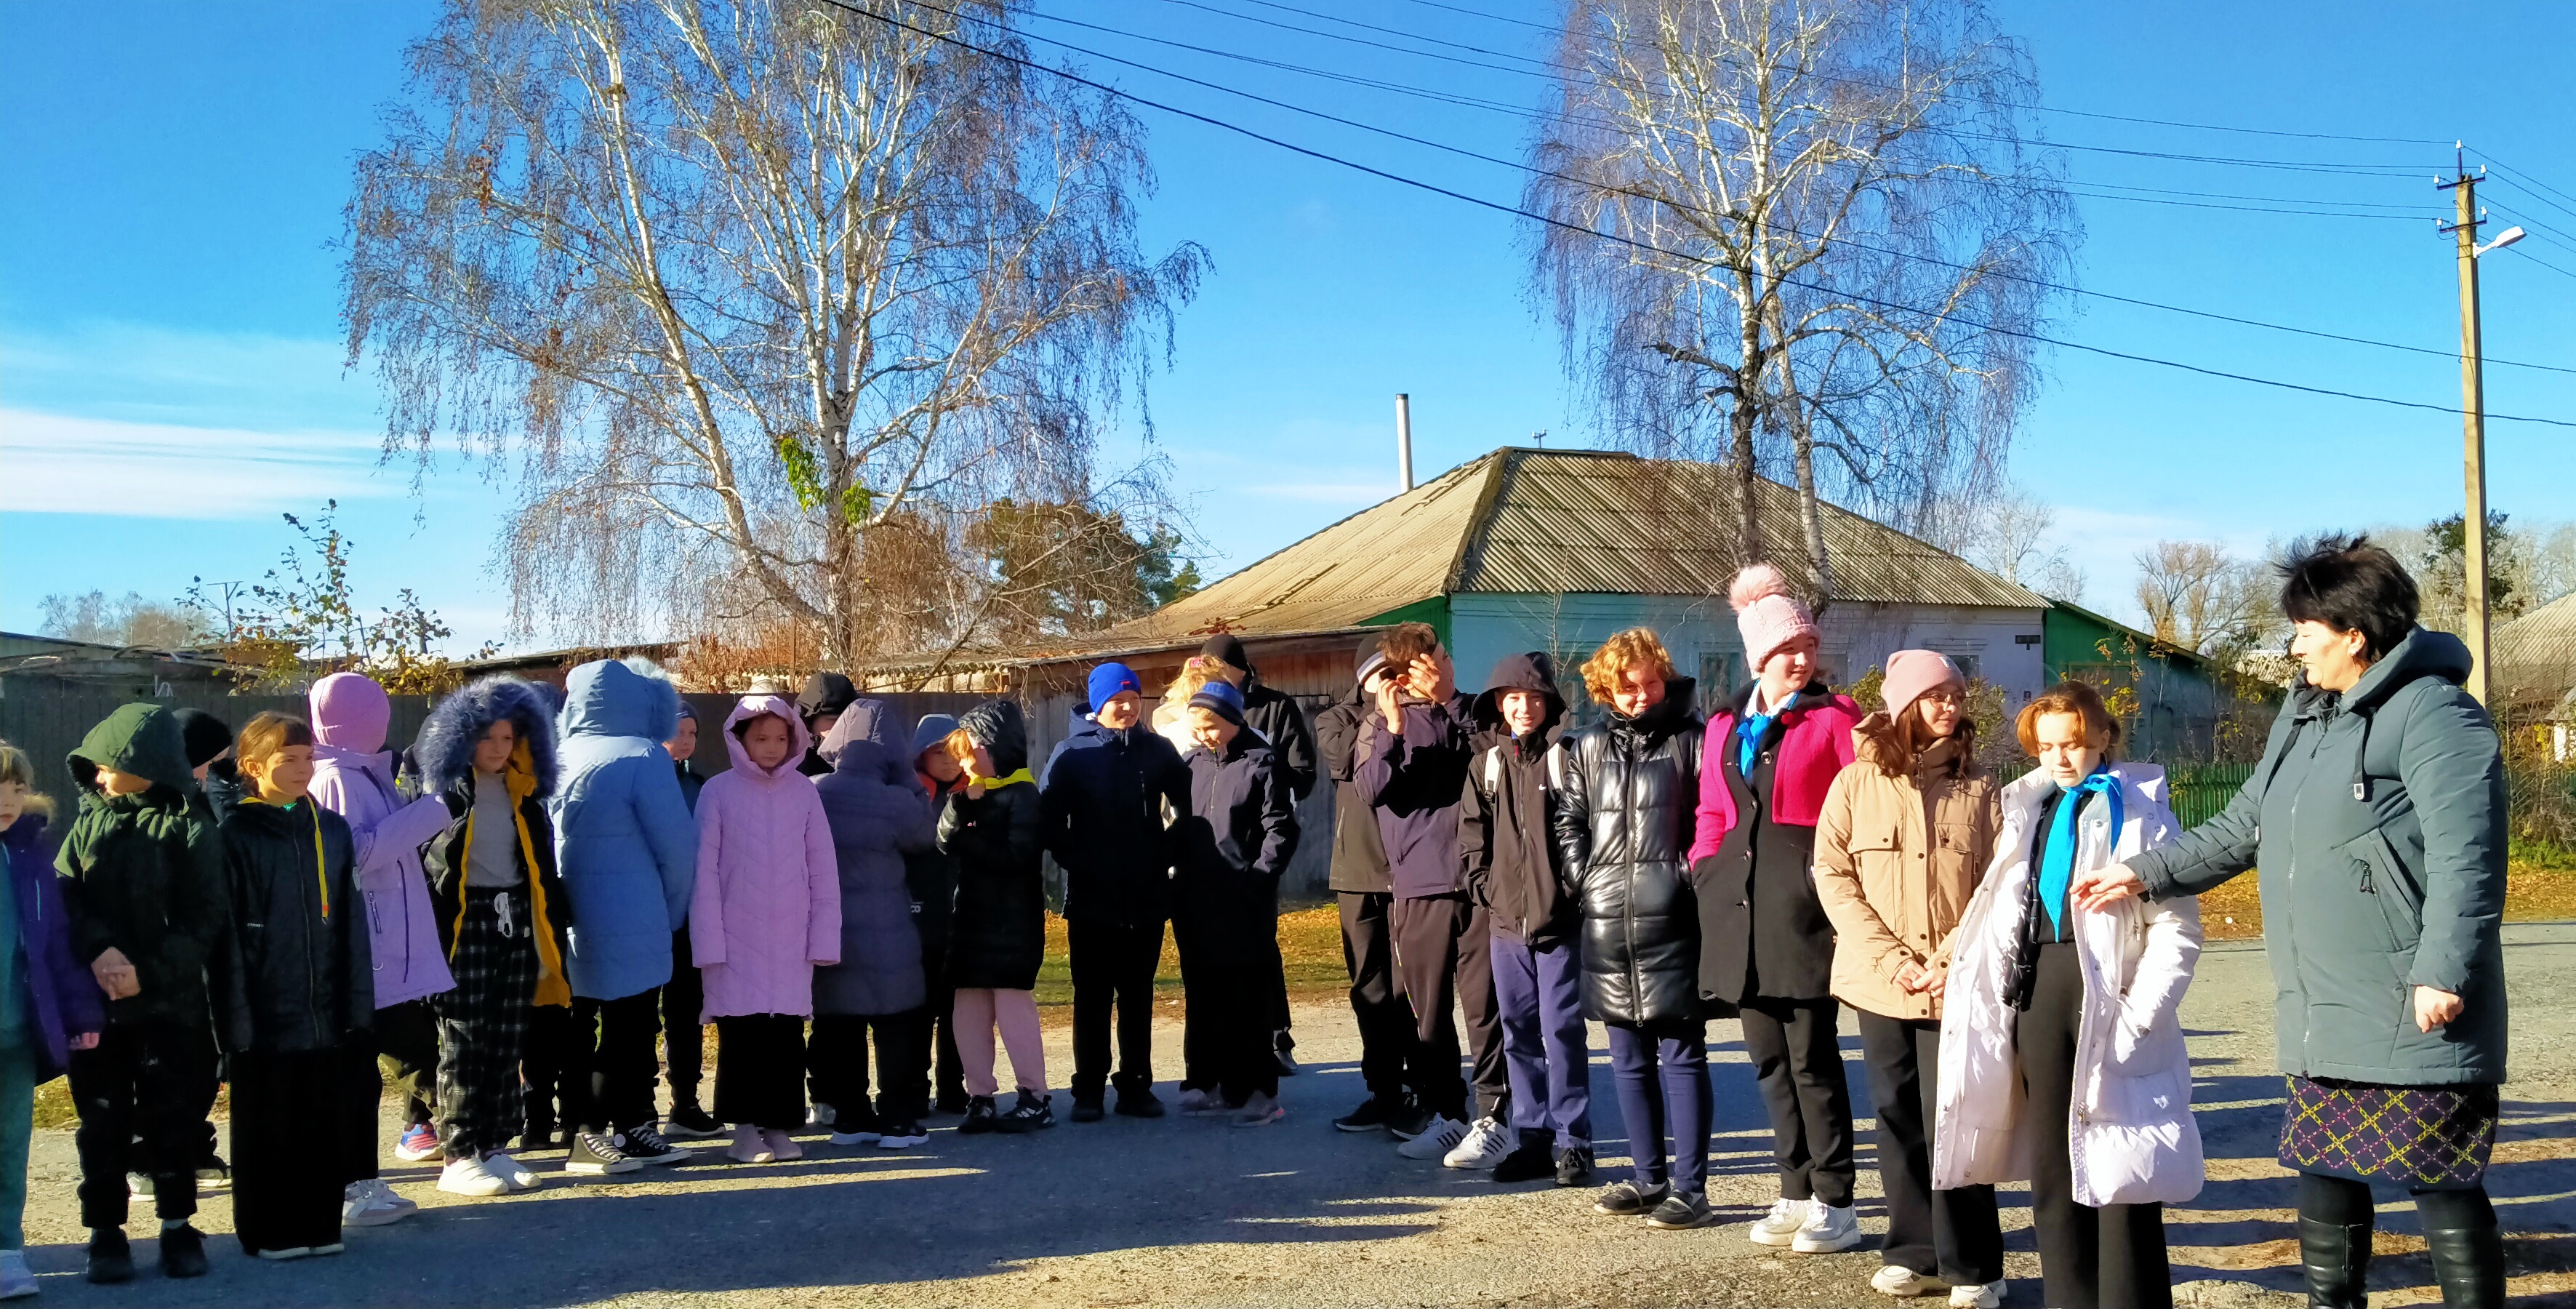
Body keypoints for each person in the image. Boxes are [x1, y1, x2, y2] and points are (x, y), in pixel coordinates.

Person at [2076, 535, 2507, 1309]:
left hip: (2408, 996)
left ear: (2355, 633)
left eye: (2306, 629)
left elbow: (2468, 857)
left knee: (2441, 1179)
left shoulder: (2436, 715)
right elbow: (2243, 827)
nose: (2295, 646)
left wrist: (2442, 969)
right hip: (2321, 1002)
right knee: (2326, 1170)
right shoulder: (2305, 718)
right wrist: (2144, 872)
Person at [1937, 681, 2202, 1309]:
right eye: (2045, 745)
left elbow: (2176, 928)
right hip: (2038, 998)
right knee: (2056, 1169)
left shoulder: (2140, 812)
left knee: (2119, 1167)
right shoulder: (2030, 807)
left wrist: (2138, 1015)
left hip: (2105, 999)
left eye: (2073, 744)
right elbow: (2003, 909)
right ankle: (2069, 1297)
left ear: (2104, 738)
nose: (2059, 758)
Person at [1812, 652, 2005, 1306]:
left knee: (1957, 1117)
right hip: (1879, 981)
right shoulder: (1853, 785)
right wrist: (1893, 959)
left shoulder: (1980, 787)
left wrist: (1946, 959)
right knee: (1897, 1118)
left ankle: (1975, 1266)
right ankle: (1913, 1254)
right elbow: (1833, 878)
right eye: (1934, 697)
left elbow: (1996, 887)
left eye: (1955, 695)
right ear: (1902, 707)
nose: (1949, 707)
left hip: (1956, 980)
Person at [1689, 564, 1865, 1253]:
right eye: (1787, 649)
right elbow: (1710, 809)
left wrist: (1830, 880)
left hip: (1803, 909)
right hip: (1735, 908)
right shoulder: (1725, 725)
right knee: (1766, 1060)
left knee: (1812, 1059)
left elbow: (1861, 805)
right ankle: (1792, 1190)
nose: (1801, 658)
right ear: (1758, 656)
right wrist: (1704, 866)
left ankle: (1836, 1199)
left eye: (1809, 647)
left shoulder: (1834, 717)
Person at [55, 704, 224, 1282]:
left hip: (169, 1006)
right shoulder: (87, 823)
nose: (98, 777)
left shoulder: (191, 825)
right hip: (97, 1005)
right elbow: (67, 897)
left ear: (145, 763)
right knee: (100, 1121)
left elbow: (205, 918)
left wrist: (146, 973)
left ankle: (178, 1229)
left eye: (107, 766)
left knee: (171, 1119)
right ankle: (106, 1235)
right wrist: (101, 952)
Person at [1552, 629, 1712, 1229]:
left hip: (1674, 918)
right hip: (1607, 920)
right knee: (1625, 1056)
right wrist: (1582, 879)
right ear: (1605, 689)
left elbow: (1709, 820)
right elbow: (1568, 820)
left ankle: (1691, 1188)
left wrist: (1685, 878)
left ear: (1663, 678)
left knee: (1681, 1054)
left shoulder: (1691, 742)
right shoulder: (1586, 747)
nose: (1640, 696)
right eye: (1626, 686)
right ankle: (1648, 1179)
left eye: (1649, 683)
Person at [211, 713, 373, 1261]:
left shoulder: (330, 829)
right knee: (268, 1126)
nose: (303, 769)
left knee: (322, 1121)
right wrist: (235, 1020)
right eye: (288, 760)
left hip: (325, 1009)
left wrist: (357, 1003)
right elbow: (228, 937)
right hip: (265, 1010)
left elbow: (351, 921)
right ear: (253, 767)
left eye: (308, 758)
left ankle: (320, 1223)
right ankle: (268, 1229)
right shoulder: (236, 833)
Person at [416, 677, 579, 1197]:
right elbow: (427, 867)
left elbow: (542, 871)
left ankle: (494, 1145)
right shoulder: (442, 795)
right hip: (464, 922)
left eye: (508, 739)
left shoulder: (525, 795)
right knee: (463, 1036)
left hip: (517, 917)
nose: (498, 748)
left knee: (509, 1033)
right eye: (487, 737)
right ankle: (458, 1152)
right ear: (462, 737)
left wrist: (551, 920)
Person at [1353, 622, 1503, 1162]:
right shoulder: (1379, 725)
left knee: (1486, 1008)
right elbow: (1369, 789)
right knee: (1429, 1013)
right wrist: (1394, 726)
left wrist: (1450, 703)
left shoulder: (1470, 713)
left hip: (1479, 881)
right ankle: (1447, 1113)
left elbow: (1499, 754)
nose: (1447, 663)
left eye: (1443, 656)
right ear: (1412, 667)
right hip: (1419, 885)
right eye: (1438, 656)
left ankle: (1494, 1116)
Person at [304, 672, 449, 1228]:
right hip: (369, 951)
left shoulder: (366, 771)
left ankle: (376, 1175)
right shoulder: (336, 777)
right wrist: (431, 812)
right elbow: (355, 854)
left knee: (397, 1056)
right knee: (363, 1070)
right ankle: (357, 1185)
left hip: (388, 947)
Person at [551, 658, 699, 1173]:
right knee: (632, 1025)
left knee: (578, 1026)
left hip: (567, 916)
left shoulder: (558, 754)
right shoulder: (643, 754)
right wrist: (673, 911)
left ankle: (585, 1129)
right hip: (634, 912)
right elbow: (677, 848)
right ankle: (626, 1127)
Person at [1460, 652, 1591, 1186]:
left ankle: (1574, 1143)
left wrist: (1568, 892)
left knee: (1561, 1031)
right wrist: (1486, 890)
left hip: (1557, 922)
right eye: (1513, 698)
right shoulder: (1484, 765)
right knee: (1516, 1032)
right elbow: (1471, 837)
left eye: (1534, 697)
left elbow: (1585, 831)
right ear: (1497, 703)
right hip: (1504, 925)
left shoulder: (1568, 758)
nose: (1523, 707)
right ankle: (1531, 1137)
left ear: (1549, 703)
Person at [694, 697, 839, 1165]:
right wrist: (709, 942)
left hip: (792, 939)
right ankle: (743, 1131)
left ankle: (777, 1126)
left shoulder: (805, 792)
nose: (772, 747)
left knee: (785, 1038)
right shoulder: (717, 791)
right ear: (740, 739)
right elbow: (703, 873)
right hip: (736, 939)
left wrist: (823, 937)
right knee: (743, 1036)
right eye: (761, 738)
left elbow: (822, 868)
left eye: (781, 738)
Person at [1043, 662, 1189, 1123]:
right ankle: (1088, 1090)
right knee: (1091, 997)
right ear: (1098, 704)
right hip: (1091, 898)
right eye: (1116, 700)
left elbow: (1188, 807)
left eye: (1133, 698)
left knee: (1138, 995)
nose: (1126, 707)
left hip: (1145, 897)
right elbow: (1050, 819)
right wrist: (1077, 859)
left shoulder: (1159, 751)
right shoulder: (1071, 754)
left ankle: (1136, 1086)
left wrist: (1164, 851)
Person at [0, 742, 105, 1297]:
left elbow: (57, 947)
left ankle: (6, 1252)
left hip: (16, 1034)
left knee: (10, 1145)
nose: (9, 799)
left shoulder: (32, 857)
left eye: (17, 787)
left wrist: (80, 1011)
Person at [1171, 681, 1299, 1126]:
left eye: (1211, 726)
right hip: (1196, 900)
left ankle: (1260, 1091)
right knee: (1204, 995)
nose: (1204, 734)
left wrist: (1258, 880)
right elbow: (1183, 830)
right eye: (1198, 727)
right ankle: (1208, 1081)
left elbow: (1280, 830)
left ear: (1233, 719)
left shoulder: (1262, 765)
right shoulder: (1189, 766)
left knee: (1247, 996)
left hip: (1245, 900)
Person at [810, 702, 935, 1150]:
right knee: (895, 1023)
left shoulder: (815, 791)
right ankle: (898, 1118)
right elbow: (926, 836)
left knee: (841, 1024)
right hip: (889, 929)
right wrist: (908, 781)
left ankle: (851, 1116)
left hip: (833, 926)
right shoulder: (897, 801)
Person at [1197, 634, 1317, 1075]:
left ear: (1241, 671)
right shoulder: (1197, 712)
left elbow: (1303, 773)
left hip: (1259, 841)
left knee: (1260, 944)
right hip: (1213, 852)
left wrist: (1262, 775)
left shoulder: (1275, 707)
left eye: (1220, 670)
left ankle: (1275, 1037)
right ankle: (1225, 1044)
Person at [1316, 649, 1422, 1137]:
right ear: (1363, 680)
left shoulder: (1420, 715)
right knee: (1369, 988)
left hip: (1411, 869)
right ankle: (1383, 1090)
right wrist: (1381, 714)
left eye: (1395, 675)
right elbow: (1344, 764)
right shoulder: (1336, 719)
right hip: (1357, 869)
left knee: (1412, 988)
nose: (1390, 683)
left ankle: (1422, 1088)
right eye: (1380, 676)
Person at [939, 701, 1051, 1135]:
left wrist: (971, 839)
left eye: (972, 751)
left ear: (996, 748)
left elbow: (1014, 857)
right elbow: (944, 841)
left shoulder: (1024, 795)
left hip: (1013, 921)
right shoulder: (969, 794)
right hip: (970, 917)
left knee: (1011, 1004)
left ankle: (1035, 1096)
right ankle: (980, 1096)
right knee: (968, 1005)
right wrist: (962, 810)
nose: (965, 761)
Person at [659, 702, 720, 1140]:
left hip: (689, 918)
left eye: (693, 732)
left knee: (686, 1012)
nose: (686, 740)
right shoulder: (639, 784)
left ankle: (685, 1102)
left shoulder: (700, 788)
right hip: (645, 915)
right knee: (637, 1016)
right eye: (677, 731)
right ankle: (636, 1107)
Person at [907, 714, 968, 1116]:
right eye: (937, 752)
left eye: (954, 752)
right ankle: (914, 1089)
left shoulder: (972, 796)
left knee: (956, 1014)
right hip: (917, 919)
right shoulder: (910, 798)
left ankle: (952, 1088)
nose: (947, 760)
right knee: (917, 1012)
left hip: (961, 919)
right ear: (921, 755)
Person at [795, 672, 859, 780]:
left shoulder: (866, 758)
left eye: (848, 720)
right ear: (809, 725)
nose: (842, 726)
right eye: (834, 720)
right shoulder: (794, 763)